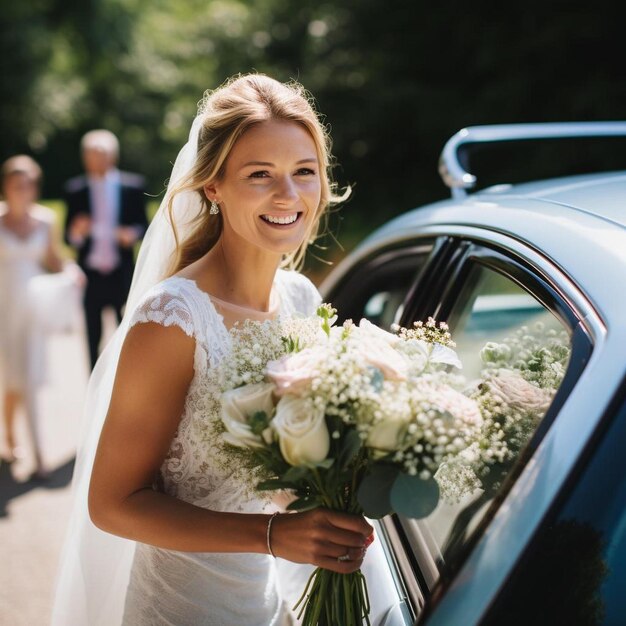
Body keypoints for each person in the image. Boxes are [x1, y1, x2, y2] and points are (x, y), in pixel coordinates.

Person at [52, 74, 372, 625]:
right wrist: (275, 536)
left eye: (304, 172)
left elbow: (289, 467)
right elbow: (112, 504)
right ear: (213, 188)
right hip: (181, 609)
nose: (288, 196)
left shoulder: (301, 300)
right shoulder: (174, 319)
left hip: (268, 601)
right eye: (259, 175)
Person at [0, 155, 65, 478]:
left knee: (30, 377)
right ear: (6, 187)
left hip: (34, 307)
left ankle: (39, 454)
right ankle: (9, 437)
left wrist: (72, 271)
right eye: (17, 185)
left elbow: (54, 258)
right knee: (12, 379)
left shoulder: (46, 220)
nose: (23, 190)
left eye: (28, 185)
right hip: (4, 307)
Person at [64, 129, 148, 369]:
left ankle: (127, 381)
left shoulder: (131, 186)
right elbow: (68, 237)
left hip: (121, 272)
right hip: (90, 275)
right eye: (91, 154)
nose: (96, 159)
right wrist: (77, 232)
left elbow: (144, 225)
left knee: (128, 333)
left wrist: (131, 234)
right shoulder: (75, 189)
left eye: (101, 153)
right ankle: (93, 387)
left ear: (113, 156)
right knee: (92, 335)